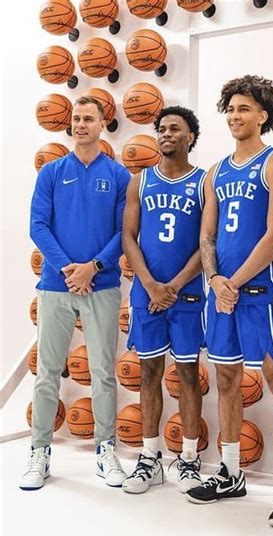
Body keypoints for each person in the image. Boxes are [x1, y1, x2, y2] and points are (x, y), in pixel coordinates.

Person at [186, 75, 273, 528]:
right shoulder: (216, 172)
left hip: (261, 293)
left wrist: (232, 282)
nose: (235, 116)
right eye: (231, 109)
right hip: (222, 294)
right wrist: (215, 279)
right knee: (226, 380)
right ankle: (231, 471)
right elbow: (207, 234)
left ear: (263, 115)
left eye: (244, 109)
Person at [20, 96, 130, 490]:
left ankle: (106, 450)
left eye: (88, 119)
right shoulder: (51, 172)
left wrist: (93, 267)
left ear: (102, 125)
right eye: (76, 119)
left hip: (101, 285)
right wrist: (69, 268)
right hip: (56, 286)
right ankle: (39, 452)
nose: (80, 125)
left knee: (103, 373)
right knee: (47, 372)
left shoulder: (118, 176)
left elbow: (124, 231)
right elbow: (38, 225)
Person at [121, 106, 206, 495]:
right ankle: (150, 457)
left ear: (191, 137)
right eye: (161, 129)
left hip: (187, 293)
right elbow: (129, 237)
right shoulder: (140, 181)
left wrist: (172, 286)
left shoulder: (203, 182)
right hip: (147, 293)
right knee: (149, 372)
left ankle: (188, 458)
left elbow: (208, 242)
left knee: (188, 374)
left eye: (174, 128)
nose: (166, 134)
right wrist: (151, 285)